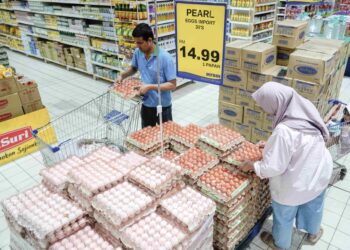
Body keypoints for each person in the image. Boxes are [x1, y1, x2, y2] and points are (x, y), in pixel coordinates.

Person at [239, 82, 333, 250]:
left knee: (284, 215)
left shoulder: (284, 130)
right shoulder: (305, 109)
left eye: (265, 106)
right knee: (313, 205)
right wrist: (271, 145)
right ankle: (313, 233)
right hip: (319, 171)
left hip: (296, 183)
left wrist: (253, 165)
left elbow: (274, 167)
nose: (265, 111)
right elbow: (302, 142)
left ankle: (280, 244)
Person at [116, 23, 176, 128]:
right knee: (146, 136)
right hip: (146, 103)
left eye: (140, 43)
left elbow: (172, 84)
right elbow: (134, 68)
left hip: (162, 106)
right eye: (136, 42)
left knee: (166, 136)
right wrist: (123, 75)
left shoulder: (165, 57)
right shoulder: (138, 53)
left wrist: (149, 87)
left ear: (149, 40)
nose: (137, 46)